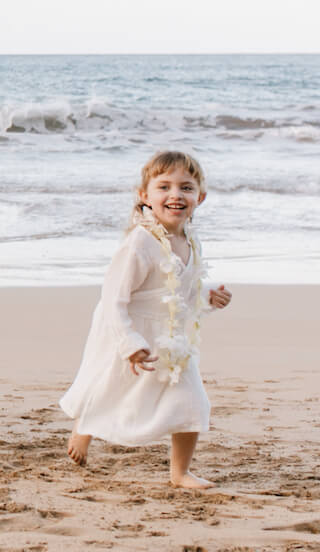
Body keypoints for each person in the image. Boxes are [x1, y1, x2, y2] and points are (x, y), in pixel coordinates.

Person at [59, 149, 234, 489]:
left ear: (201, 196)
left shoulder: (190, 240)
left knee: (192, 399)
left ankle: (180, 472)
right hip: (128, 328)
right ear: (144, 196)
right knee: (110, 386)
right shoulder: (140, 243)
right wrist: (129, 342)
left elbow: (180, 289)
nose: (175, 195)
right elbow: (113, 299)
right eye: (164, 187)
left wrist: (208, 296)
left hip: (170, 336)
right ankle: (84, 428)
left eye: (186, 187)